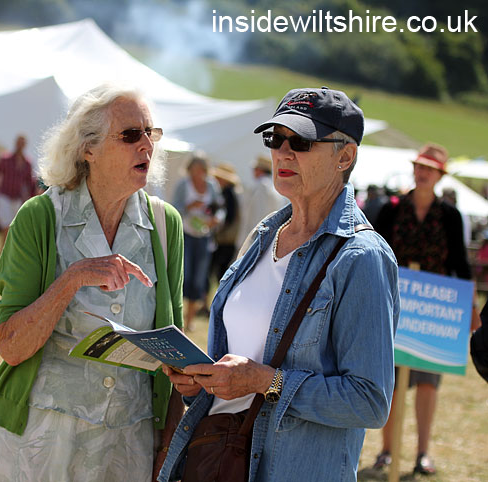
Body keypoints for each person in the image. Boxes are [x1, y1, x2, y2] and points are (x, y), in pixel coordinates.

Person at [159, 87, 399, 482]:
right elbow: (241, 365)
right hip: (221, 459)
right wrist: (201, 383)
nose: (283, 153)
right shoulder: (263, 235)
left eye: (302, 141)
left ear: (345, 156)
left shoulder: (361, 257)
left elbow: (369, 401)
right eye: (275, 139)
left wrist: (263, 381)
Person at [0, 84, 185, 482]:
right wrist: (72, 278)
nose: (146, 145)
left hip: (130, 442)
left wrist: (168, 445)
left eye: (150, 133)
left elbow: (171, 343)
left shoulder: (165, 224)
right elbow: (12, 346)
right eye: (130, 135)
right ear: (88, 148)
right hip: (42, 439)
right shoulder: (40, 217)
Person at [374, 143, 477, 475]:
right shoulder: (392, 209)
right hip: (393, 302)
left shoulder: (450, 215)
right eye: (419, 167)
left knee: (428, 382)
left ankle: (422, 453)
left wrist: (471, 306)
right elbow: (374, 253)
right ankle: (387, 450)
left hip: (433, 306)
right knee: (391, 382)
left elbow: (460, 263)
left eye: (429, 169)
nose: (422, 173)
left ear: (439, 176)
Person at [172, 152, 223, 331]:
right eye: (194, 169)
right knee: (182, 275)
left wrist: (216, 220)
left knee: (198, 279)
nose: (198, 173)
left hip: (204, 236)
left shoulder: (212, 185)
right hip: (184, 234)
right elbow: (173, 209)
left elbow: (219, 209)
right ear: (189, 169)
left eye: (201, 169)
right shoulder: (183, 185)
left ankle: (189, 320)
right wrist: (189, 207)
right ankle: (176, 319)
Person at [0, 134, 38, 250]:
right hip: (3, 196)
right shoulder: (5, 159)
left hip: (17, 199)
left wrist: (33, 198)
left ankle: (5, 252)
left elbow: (30, 183)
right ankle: (2, 252)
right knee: (6, 226)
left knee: (13, 228)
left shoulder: (27, 163)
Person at [235, 155, 287, 250]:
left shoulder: (262, 186)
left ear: (259, 170)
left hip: (257, 239)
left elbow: (258, 215)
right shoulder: (272, 185)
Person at [209, 163, 241, 280]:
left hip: (225, 238)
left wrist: (218, 229)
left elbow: (229, 217)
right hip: (228, 238)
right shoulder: (232, 192)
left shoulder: (228, 193)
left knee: (219, 272)